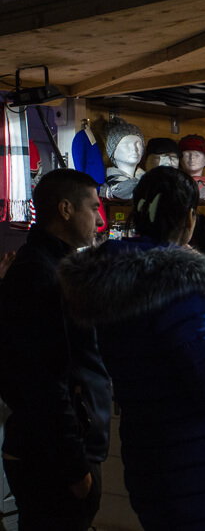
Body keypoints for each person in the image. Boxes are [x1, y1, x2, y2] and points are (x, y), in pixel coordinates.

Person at [57, 166, 205, 531]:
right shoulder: (181, 283)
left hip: (148, 456)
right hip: (201, 468)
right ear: (189, 219)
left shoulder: (107, 281)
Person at [0, 168, 110, 531]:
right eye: (92, 208)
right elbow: (42, 381)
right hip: (51, 459)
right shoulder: (41, 273)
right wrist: (76, 468)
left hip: (56, 451)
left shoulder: (54, 265)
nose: (98, 217)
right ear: (66, 209)